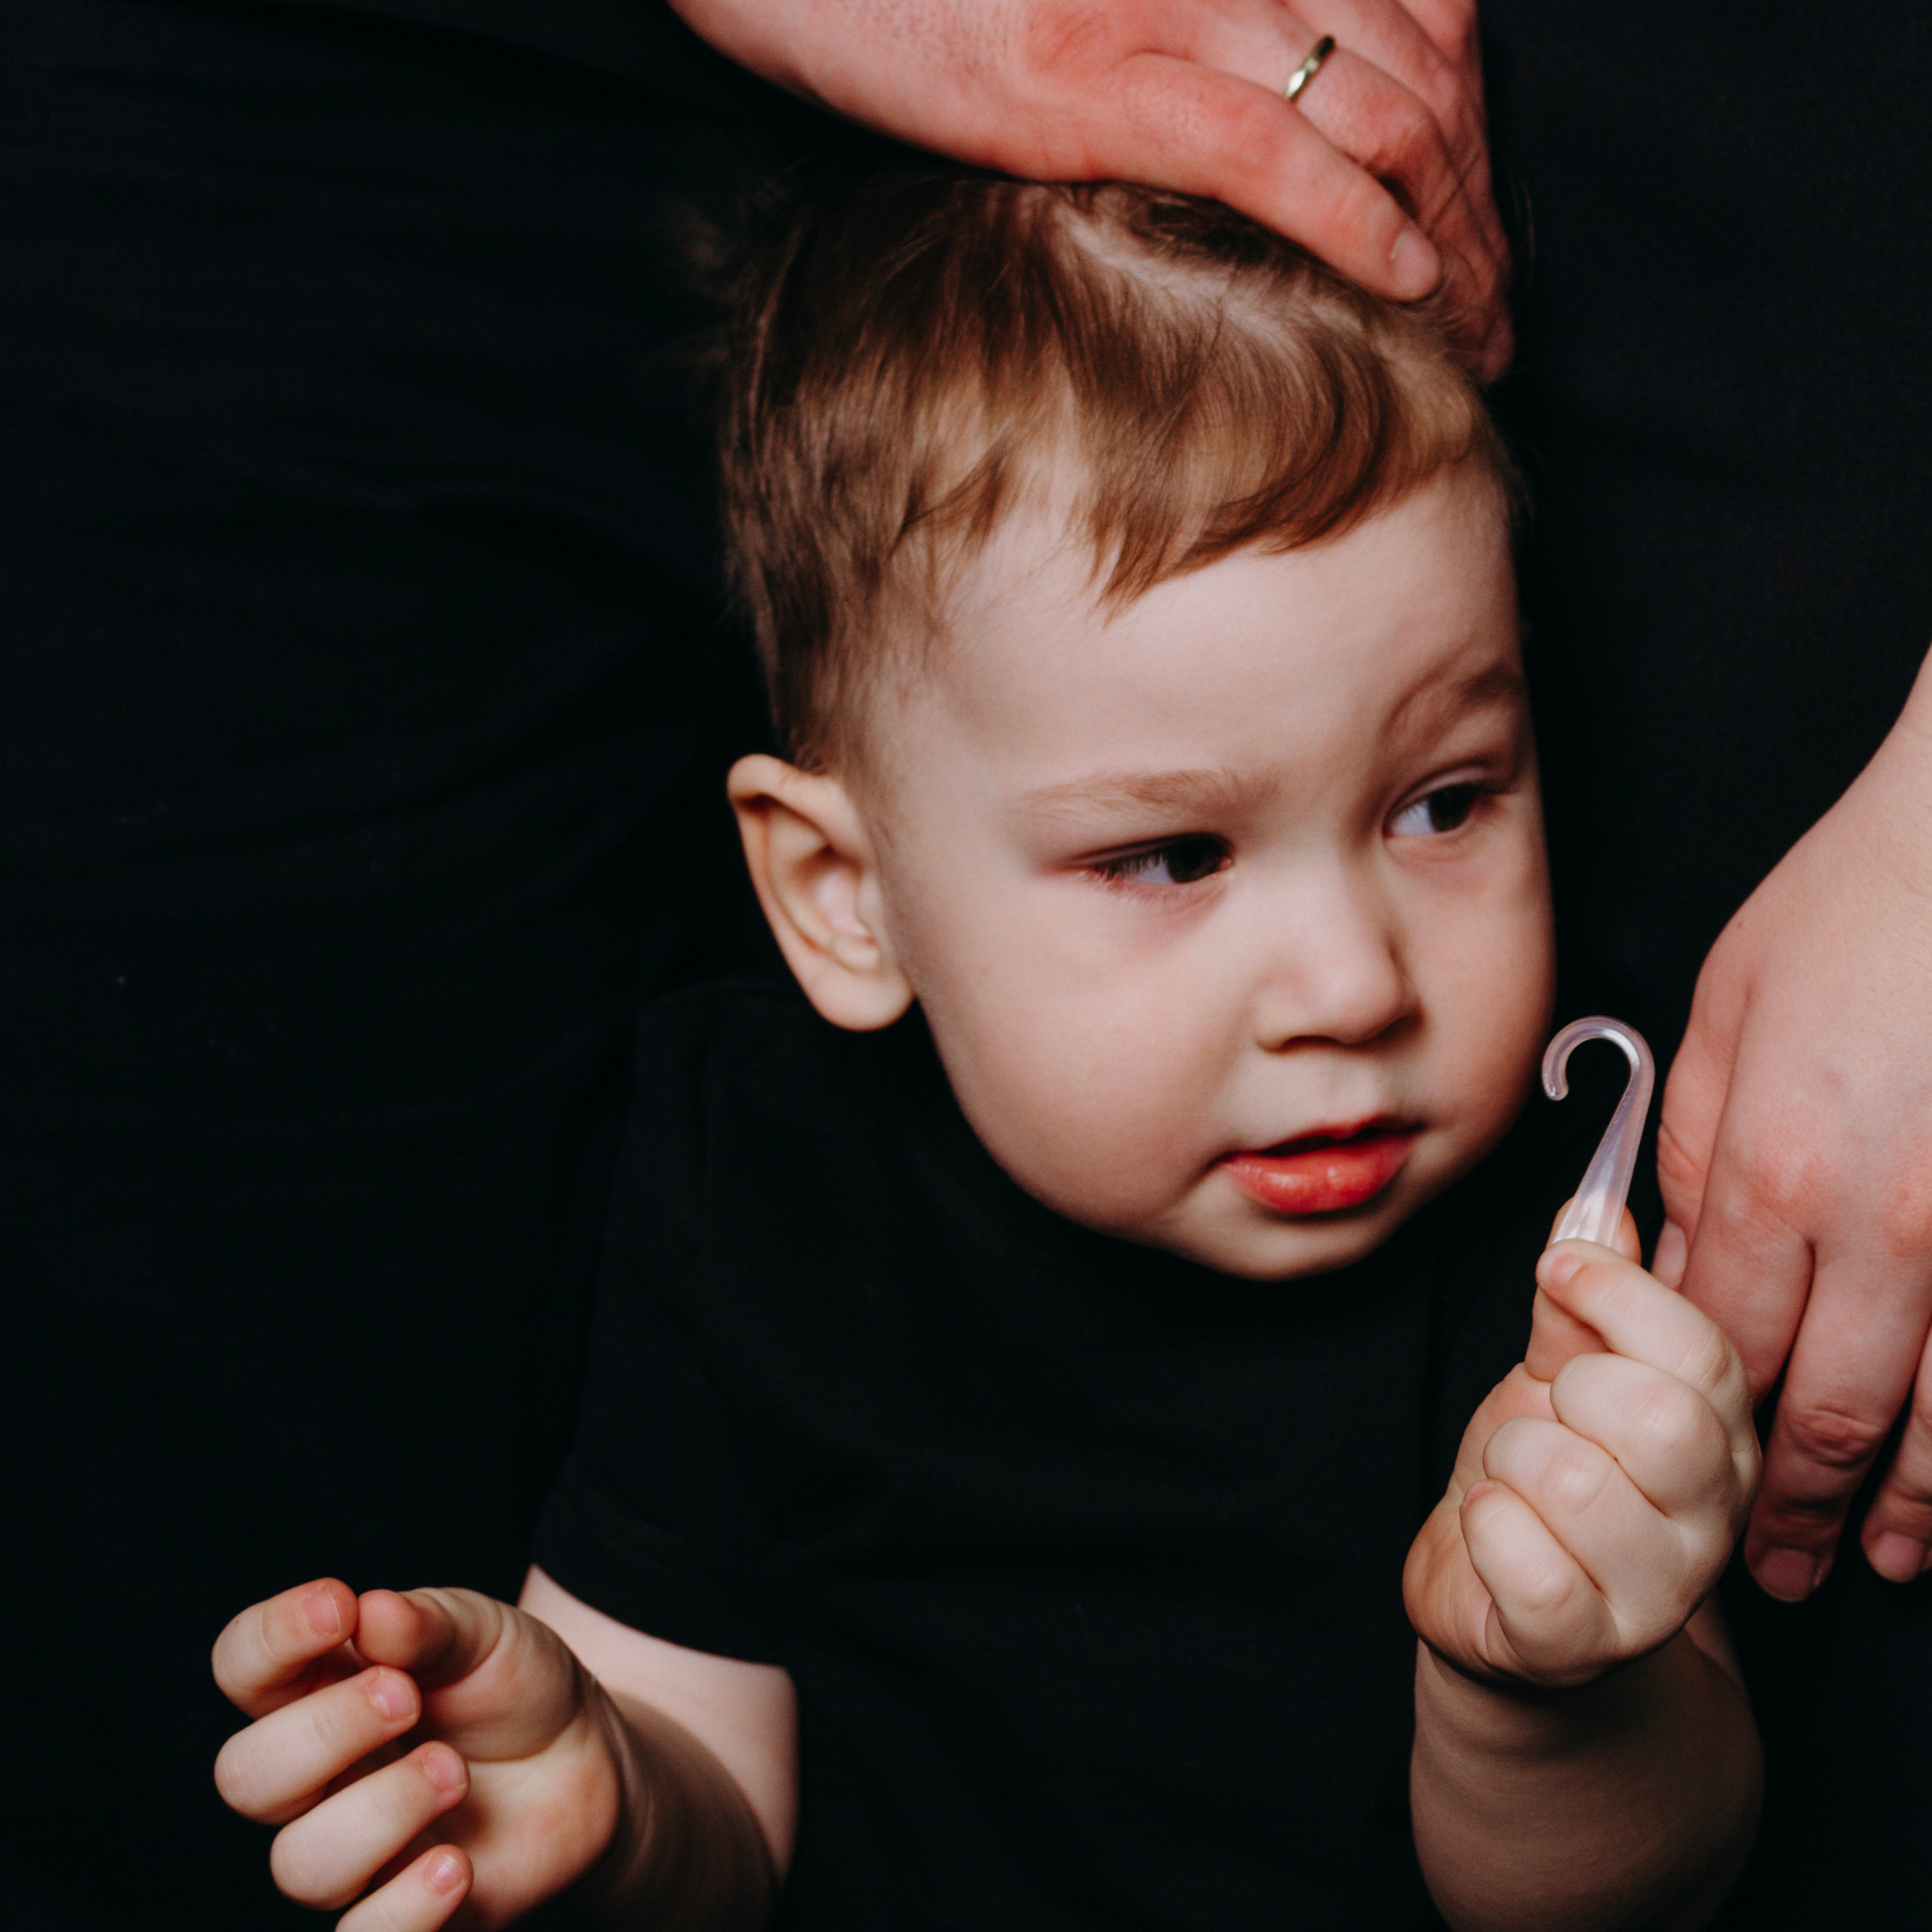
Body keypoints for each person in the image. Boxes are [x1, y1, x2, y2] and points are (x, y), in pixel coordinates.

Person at [211, 171, 1762, 1932]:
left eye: (1440, 800)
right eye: (1168, 855)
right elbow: (719, 1812)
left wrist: (1541, 1695)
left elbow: (1628, 1888)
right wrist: (611, 1802)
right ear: (842, 896)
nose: (1351, 981)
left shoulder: (1559, 1213)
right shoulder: (754, 1178)